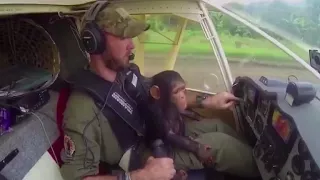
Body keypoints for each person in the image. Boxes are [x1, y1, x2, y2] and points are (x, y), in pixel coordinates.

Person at [59, 3, 259, 180]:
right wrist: (140, 176)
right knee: (221, 145)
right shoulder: (83, 107)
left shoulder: (127, 74)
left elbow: (162, 96)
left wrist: (207, 101)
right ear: (94, 42)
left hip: (155, 132)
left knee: (218, 125)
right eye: (123, 37)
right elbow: (77, 178)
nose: (131, 45)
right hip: (142, 157)